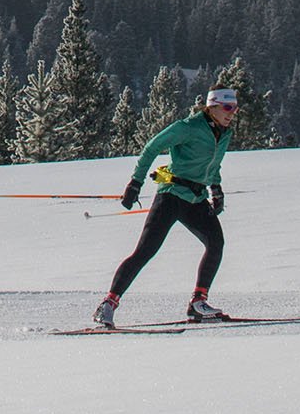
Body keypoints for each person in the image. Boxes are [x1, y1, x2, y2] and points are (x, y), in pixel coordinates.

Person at [91, 85, 236, 328]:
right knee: (146, 251)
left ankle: (198, 304)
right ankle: (108, 304)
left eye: (235, 108)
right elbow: (152, 147)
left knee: (216, 243)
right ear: (212, 107)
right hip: (171, 196)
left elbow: (214, 163)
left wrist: (216, 188)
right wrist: (135, 183)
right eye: (227, 107)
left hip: (196, 199)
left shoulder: (224, 132)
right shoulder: (188, 127)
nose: (232, 113)